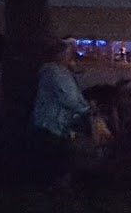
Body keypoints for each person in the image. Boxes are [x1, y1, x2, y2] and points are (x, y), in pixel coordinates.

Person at [32, 40, 91, 191]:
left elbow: (74, 95)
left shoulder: (63, 72)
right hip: (51, 121)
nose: (70, 56)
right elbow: (68, 97)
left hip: (58, 121)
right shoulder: (54, 72)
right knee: (56, 154)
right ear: (59, 54)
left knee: (59, 153)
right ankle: (53, 184)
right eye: (68, 52)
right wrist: (84, 109)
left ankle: (57, 184)